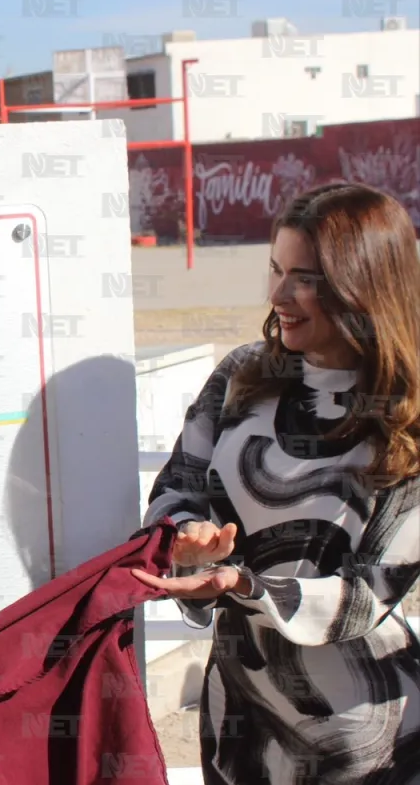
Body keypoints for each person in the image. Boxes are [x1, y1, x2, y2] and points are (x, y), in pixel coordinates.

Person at [132, 181, 420, 784]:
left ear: (362, 286)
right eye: (274, 268)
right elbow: (177, 485)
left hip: (367, 740)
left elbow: (369, 593)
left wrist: (244, 584)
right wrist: (188, 538)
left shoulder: (409, 416)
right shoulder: (240, 375)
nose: (278, 294)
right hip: (238, 722)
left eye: (304, 277)